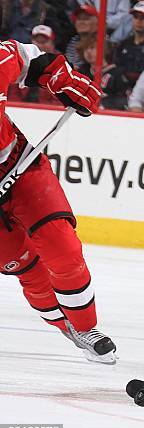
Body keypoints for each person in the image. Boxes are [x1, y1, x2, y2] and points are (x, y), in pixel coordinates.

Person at [0, 39, 116, 364]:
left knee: (61, 243)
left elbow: (28, 58)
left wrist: (63, 78)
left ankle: (87, 327)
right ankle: (65, 324)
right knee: (28, 269)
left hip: (17, 165)